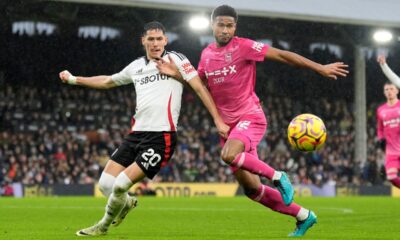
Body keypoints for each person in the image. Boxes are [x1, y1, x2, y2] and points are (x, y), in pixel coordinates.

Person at [157, 5, 348, 237]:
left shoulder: (244, 46)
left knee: (228, 155)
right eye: (221, 25)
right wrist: (176, 74)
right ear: (212, 25)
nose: (225, 30)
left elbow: (282, 55)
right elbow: (201, 85)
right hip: (227, 128)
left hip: (250, 117)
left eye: (229, 25)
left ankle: (278, 176)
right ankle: (304, 216)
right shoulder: (206, 55)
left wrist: (319, 68)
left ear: (235, 27)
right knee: (252, 189)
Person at [59, 21, 229, 236]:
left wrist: (218, 120)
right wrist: (74, 79)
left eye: (159, 39)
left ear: (166, 40)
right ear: (143, 41)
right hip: (135, 134)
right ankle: (127, 204)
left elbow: (199, 87)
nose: (156, 43)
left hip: (161, 136)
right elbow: (107, 81)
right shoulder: (136, 66)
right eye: (151, 39)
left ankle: (102, 227)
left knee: (120, 184)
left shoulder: (176, 59)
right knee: (105, 185)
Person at [376, 56, 400, 188]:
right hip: (391, 151)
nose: (389, 91)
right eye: (387, 89)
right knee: (391, 177)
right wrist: (384, 65)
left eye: (392, 89)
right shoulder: (381, 110)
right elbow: (396, 79)